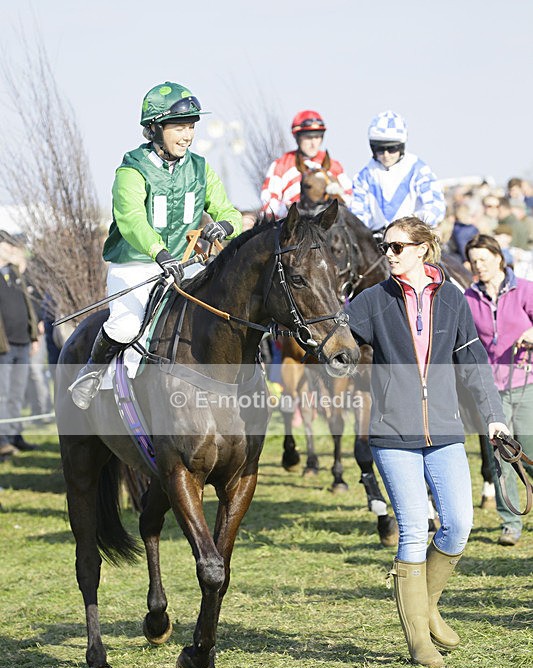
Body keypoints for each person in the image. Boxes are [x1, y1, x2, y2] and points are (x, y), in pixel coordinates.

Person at [347, 216, 509, 668]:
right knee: (415, 529)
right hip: (392, 433)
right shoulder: (372, 300)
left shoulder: (453, 300)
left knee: (458, 525)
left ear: (422, 249)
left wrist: (494, 417)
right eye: (386, 246)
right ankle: (418, 637)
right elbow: (334, 337)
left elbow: (474, 360)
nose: (389, 254)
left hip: (444, 430)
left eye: (398, 247)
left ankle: (427, 603)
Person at [69, 81, 242, 410]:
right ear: (154, 129)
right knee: (126, 326)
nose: (187, 135)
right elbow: (131, 219)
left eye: (191, 127)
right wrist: (160, 254)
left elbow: (228, 209)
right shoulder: (132, 169)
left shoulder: (201, 169)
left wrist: (225, 224)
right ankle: (91, 373)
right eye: (179, 127)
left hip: (186, 264)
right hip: (136, 263)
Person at [465, 233, 533, 546]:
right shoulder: (468, 298)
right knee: (502, 458)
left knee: (529, 454)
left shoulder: (525, 291)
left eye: (484, 259)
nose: (479, 265)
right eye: (474, 260)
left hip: (526, 384)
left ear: (499, 258)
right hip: (491, 392)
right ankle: (510, 525)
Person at [350, 111, 446, 233]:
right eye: (380, 149)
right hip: (377, 238)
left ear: (401, 147)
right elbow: (357, 213)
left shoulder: (419, 169)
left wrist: (413, 224)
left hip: (413, 236)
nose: (386, 155)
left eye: (392, 149)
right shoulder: (363, 176)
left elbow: (436, 206)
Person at [260, 110, 352, 218]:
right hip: (291, 226)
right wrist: (289, 210)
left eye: (317, 137)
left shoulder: (334, 165)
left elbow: (351, 201)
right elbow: (268, 203)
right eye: (308, 138)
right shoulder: (281, 165)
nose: (313, 144)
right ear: (297, 137)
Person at [0, 231, 39, 455]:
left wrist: (33, 336)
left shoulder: (14, 273)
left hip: (22, 342)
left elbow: (27, 304)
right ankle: (2, 441)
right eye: (7, 245)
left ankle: (15, 435)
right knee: (2, 394)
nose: (12, 249)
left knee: (16, 393)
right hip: (3, 347)